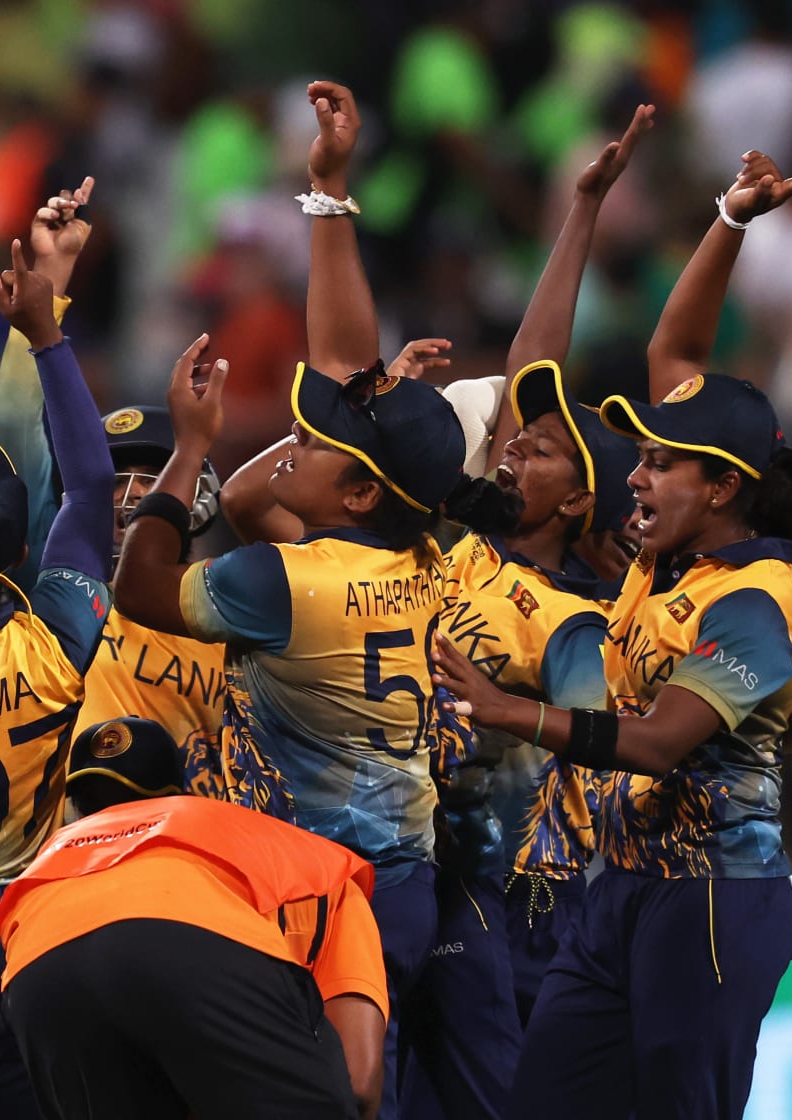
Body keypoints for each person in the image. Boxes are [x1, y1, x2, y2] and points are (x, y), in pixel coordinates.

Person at [113, 81, 523, 1120]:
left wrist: (194, 449)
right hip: (403, 881)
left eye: (314, 441)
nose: (291, 443)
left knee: (316, 1099)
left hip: (305, 886)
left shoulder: (283, 582)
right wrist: (328, 189)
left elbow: (145, 583)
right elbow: (326, 414)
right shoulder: (418, 550)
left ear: (354, 491)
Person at [431, 158, 792, 1120]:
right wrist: (728, 217)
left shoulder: (758, 601)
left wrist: (508, 710)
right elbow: (677, 348)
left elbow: (662, 741)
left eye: (664, 465)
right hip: (621, 892)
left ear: (722, 489)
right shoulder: (656, 558)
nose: (639, 478)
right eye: (638, 458)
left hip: (715, 902)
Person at [0, 716, 389, 1120]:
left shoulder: (49, 859)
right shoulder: (304, 858)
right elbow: (357, 1086)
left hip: (36, 969)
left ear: (74, 809)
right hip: (189, 947)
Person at [0, 181, 227, 799]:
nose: (130, 499)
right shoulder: (60, 595)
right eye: (117, 479)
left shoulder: (237, 610)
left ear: (195, 494)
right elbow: (18, 430)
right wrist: (53, 279)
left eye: (152, 479)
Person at [0, 240, 112, 1117]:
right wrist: (47, 339)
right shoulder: (55, 639)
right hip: (33, 924)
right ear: (20, 552)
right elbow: (90, 490)